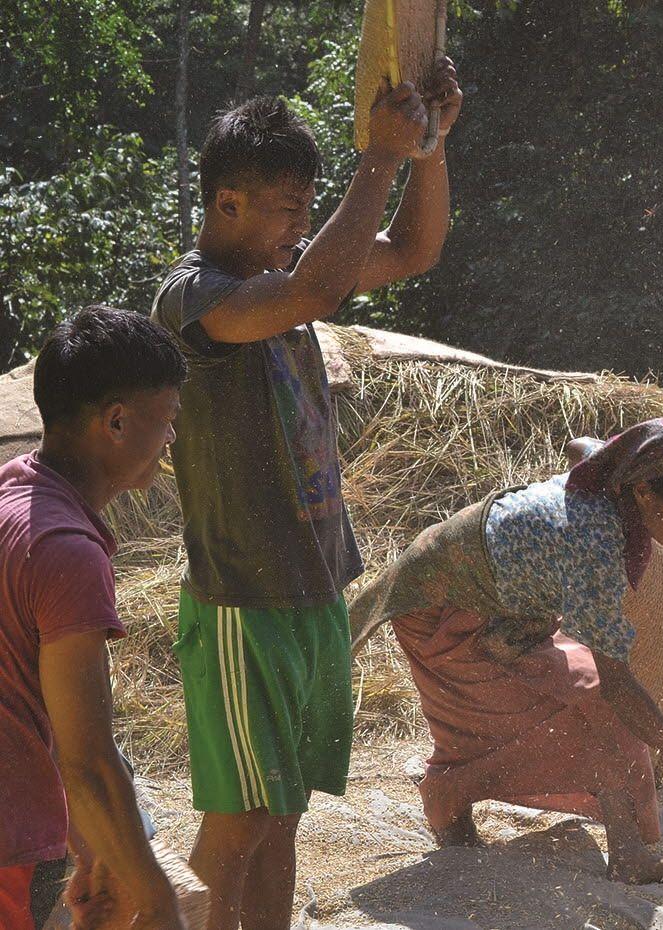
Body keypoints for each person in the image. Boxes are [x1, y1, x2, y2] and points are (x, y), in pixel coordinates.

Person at [149, 63, 463, 930]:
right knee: (240, 821)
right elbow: (314, 289)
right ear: (227, 204)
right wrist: (379, 157)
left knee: (282, 817)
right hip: (243, 601)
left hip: (313, 588)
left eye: (306, 210)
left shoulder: (286, 275)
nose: (301, 229)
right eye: (289, 211)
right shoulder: (195, 298)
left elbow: (415, 250)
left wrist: (428, 145)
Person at [345, 418, 663, 883]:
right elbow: (617, 686)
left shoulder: (612, 477)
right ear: (644, 492)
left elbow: (580, 446)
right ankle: (451, 804)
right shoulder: (595, 543)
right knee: (527, 719)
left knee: (590, 702)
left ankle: (625, 852)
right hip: (442, 604)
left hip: (506, 605)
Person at [0, 307, 188, 930]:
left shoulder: (12, 494)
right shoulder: (68, 552)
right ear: (116, 421)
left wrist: (93, 847)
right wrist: (157, 902)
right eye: (167, 419)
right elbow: (88, 762)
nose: (171, 438)